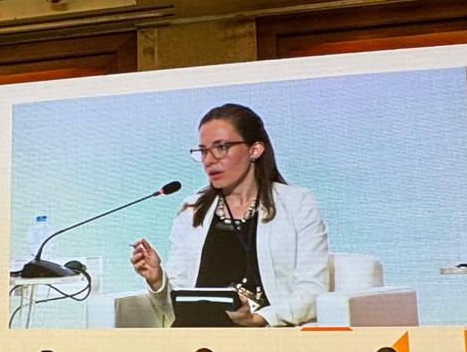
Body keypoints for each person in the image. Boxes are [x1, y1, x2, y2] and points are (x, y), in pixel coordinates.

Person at [130, 103, 330, 327]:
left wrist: (260, 318)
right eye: (203, 151)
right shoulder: (192, 209)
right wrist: (157, 279)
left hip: (265, 335)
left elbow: (313, 290)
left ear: (255, 150)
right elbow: (176, 304)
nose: (209, 160)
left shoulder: (297, 203)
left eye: (221, 147)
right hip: (197, 336)